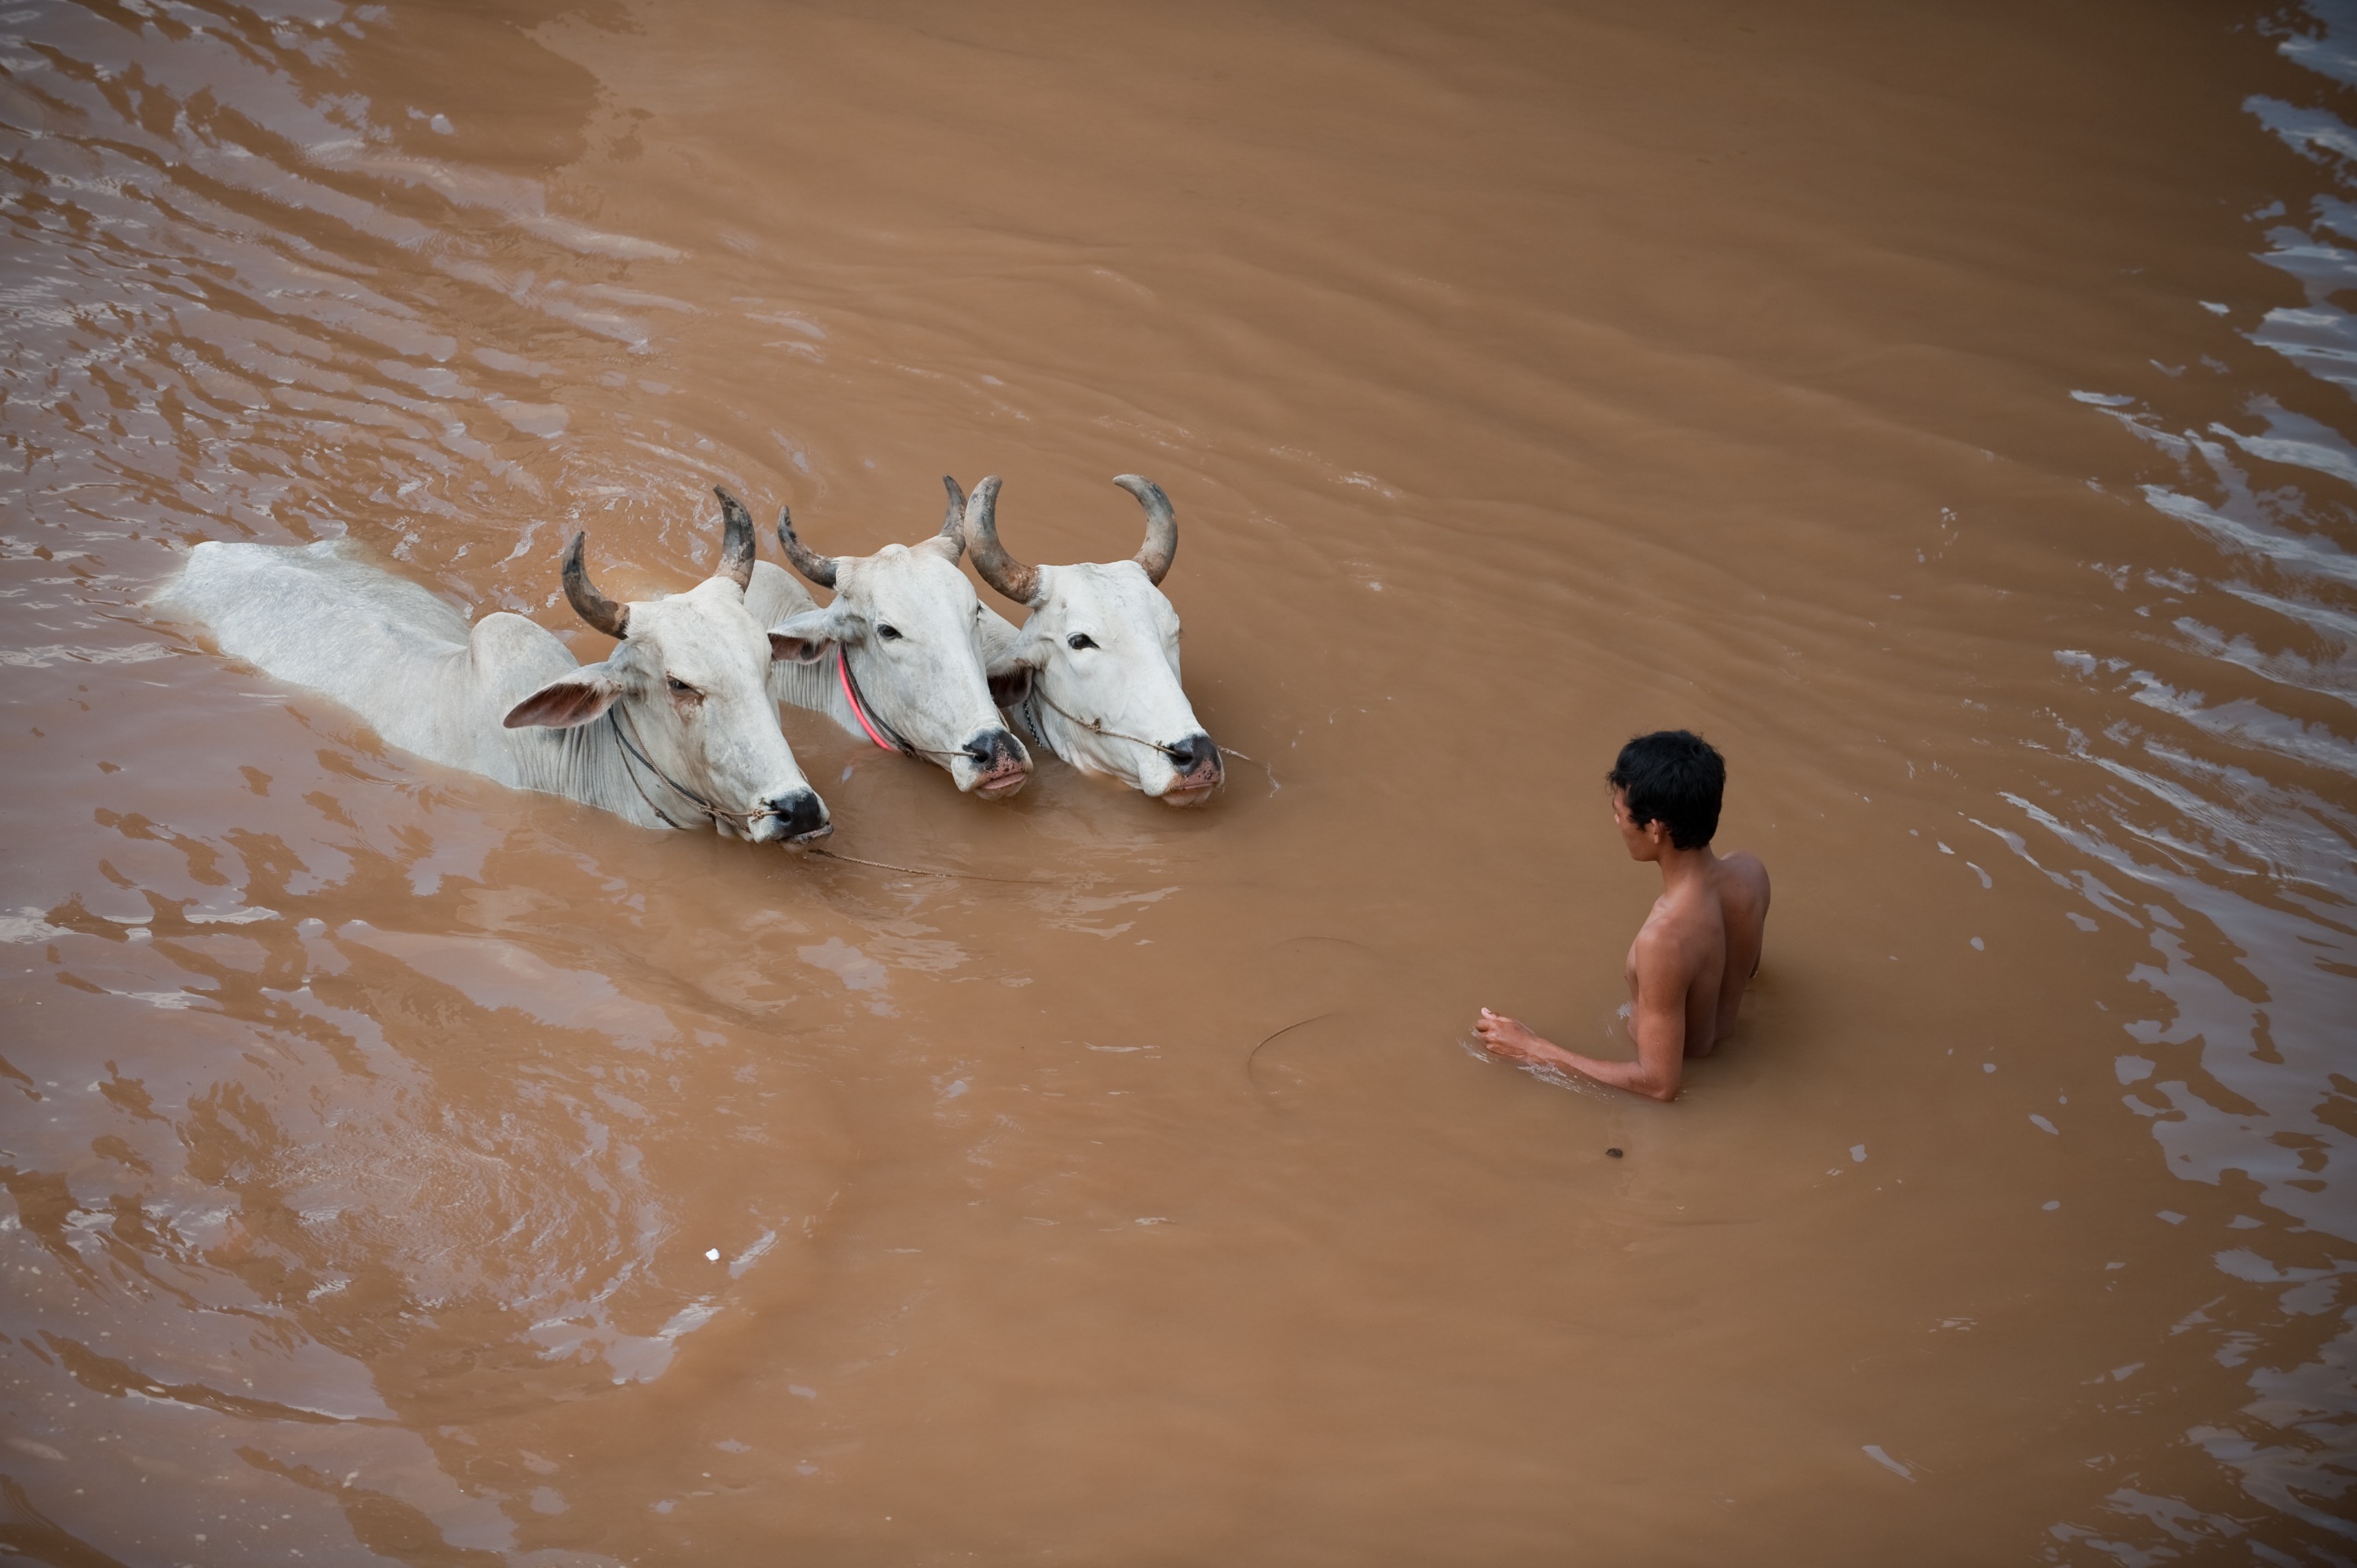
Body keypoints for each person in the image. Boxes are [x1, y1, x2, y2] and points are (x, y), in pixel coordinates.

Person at [1475, 730, 1769, 1102]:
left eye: (1620, 814)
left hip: (1689, 1071)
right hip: (1733, 1059)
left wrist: (1533, 1048)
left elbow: (1659, 1084)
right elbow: (1751, 974)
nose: (1617, 823)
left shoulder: (1664, 940)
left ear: (1654, 828)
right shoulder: (1751, 872)